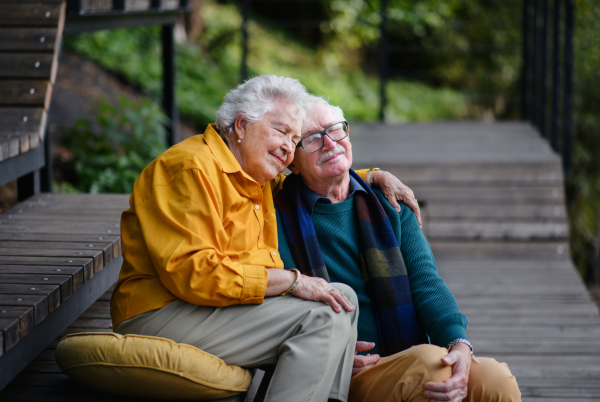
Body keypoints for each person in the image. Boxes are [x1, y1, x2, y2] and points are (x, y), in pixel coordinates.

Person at [110, 75, 420, 402]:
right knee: (324, 314)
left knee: (338, 298)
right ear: (242, 125)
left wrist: (373, 176)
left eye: (295, 138)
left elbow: (319, 175)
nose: (288, 147)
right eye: (281, 131)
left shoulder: (257, 181)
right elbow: (194, 274)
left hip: (212, 308)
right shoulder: (189, 169)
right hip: (162, 311)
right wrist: (291, 281)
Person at [273, 96, 522, 402]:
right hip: (346, 372)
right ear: (292, 164)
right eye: (311, 139)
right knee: (430, 367)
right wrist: (324, 357)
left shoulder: (388, 202)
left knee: (498, 382)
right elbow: (282, 304)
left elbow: (427, 283)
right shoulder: (277, 216)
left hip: (408, 355)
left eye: (335, 129)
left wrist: (459, 344)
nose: (329, 143)